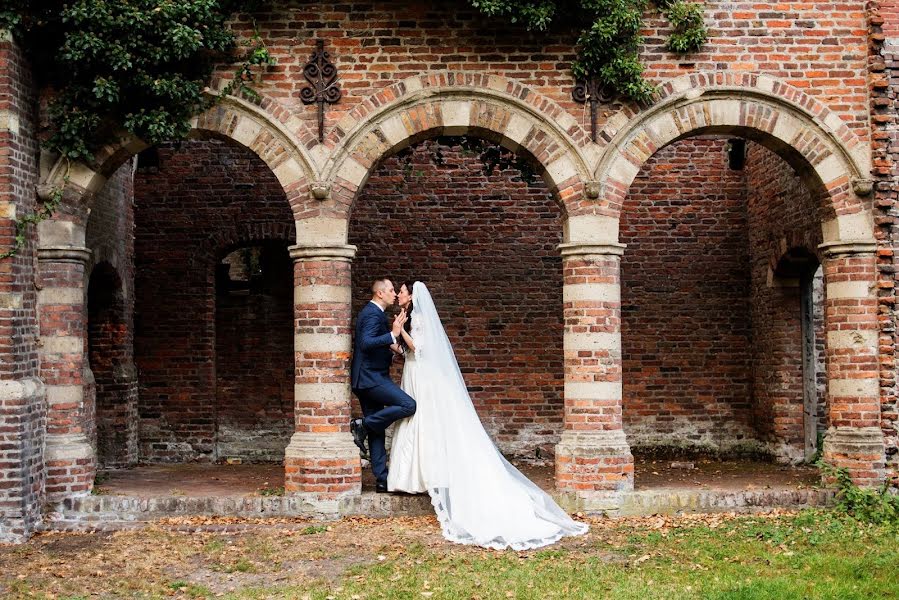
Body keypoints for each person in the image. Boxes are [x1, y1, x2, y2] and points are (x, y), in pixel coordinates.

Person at [387, 281, 588, 550]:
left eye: (401, 291)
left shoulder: (420, 317)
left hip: (424, 378)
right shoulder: (407, 316)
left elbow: (420, 349)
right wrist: (394, 336)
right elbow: (406, 352)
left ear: (412, 296)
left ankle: (431, 475)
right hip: (412, 373)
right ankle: (413, 477)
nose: (398, 295)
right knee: (414, 422)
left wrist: (401, 332)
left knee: (426, 423)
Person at [349, 277, 417, 493]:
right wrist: (392, 334)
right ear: (380, 293)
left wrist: (391, 347)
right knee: (408, 405)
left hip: (368, 377)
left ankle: (381, 480)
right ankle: (363, 424)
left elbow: (373, 343)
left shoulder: (375, 313)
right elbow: (365, 343)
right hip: (371, 378)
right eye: (390, 290)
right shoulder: (371, 313)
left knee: (377, 430)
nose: (394, 294)